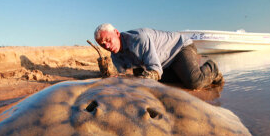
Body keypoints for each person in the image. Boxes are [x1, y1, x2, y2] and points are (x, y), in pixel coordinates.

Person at [94, 23, 223, 89]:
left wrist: (146, 77)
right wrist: (108, 73)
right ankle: (183, 71)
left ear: (116, 33)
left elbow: (155, 70)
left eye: (108, 40)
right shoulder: (115, 54)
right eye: (102, 44)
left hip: (180, 48)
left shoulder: (139, 39)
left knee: (194, 82)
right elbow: (121, 76)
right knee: (140, 75)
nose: (107, 46)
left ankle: (212, 68)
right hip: (164, 62)